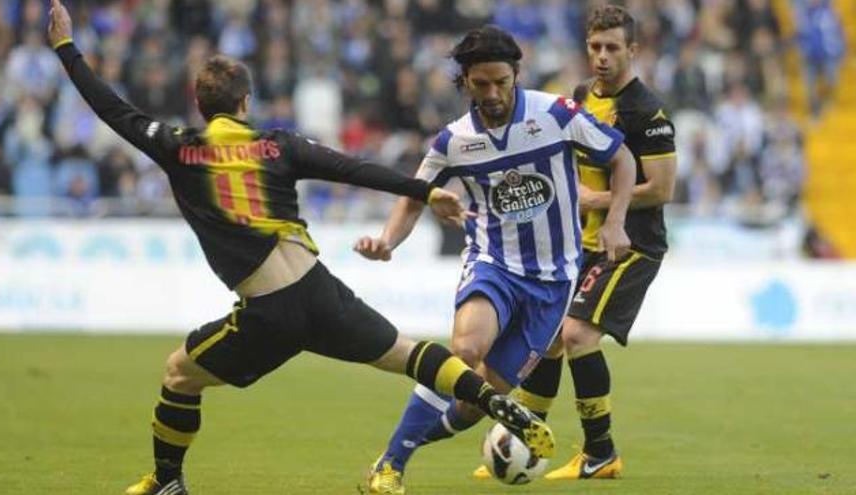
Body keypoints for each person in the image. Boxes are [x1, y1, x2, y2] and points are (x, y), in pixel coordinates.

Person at [46, 2, 554, 495]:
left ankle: (166, 481)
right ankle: (488, 396)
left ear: (201, 105)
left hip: (270, 310)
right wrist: (425, 191)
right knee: (408, 353)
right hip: (320, 291)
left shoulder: (179, 147)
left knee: (180, 372)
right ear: (246, 104)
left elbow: (110, 107)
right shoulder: (281, 146)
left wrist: (67, 47)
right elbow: (354, 169)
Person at [355, 25, 637, 494]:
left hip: (553, 283)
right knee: (465, 351)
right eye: (481, 84)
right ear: (465, 81)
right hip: (494, 264)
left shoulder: (558, 114)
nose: (492, 94)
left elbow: (622, 158)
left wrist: (615, 221)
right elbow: (415, 194)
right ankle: (392, 467)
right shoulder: (454, 141)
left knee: (475, 401)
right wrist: (388, 240)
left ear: (516, 75)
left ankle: (400, 446)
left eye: (501, 83)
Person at [483, 5, 678, 481]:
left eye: (613, 48)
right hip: (582, 245)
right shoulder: (577, 97)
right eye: (595, 47)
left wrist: (597, 199)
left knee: (577, 335)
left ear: (633, 50)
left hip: (631, 246)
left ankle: (601, 453)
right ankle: (527, 442)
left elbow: (661, 189)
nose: (603, 57)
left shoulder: (646, 112)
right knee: (548, 340)